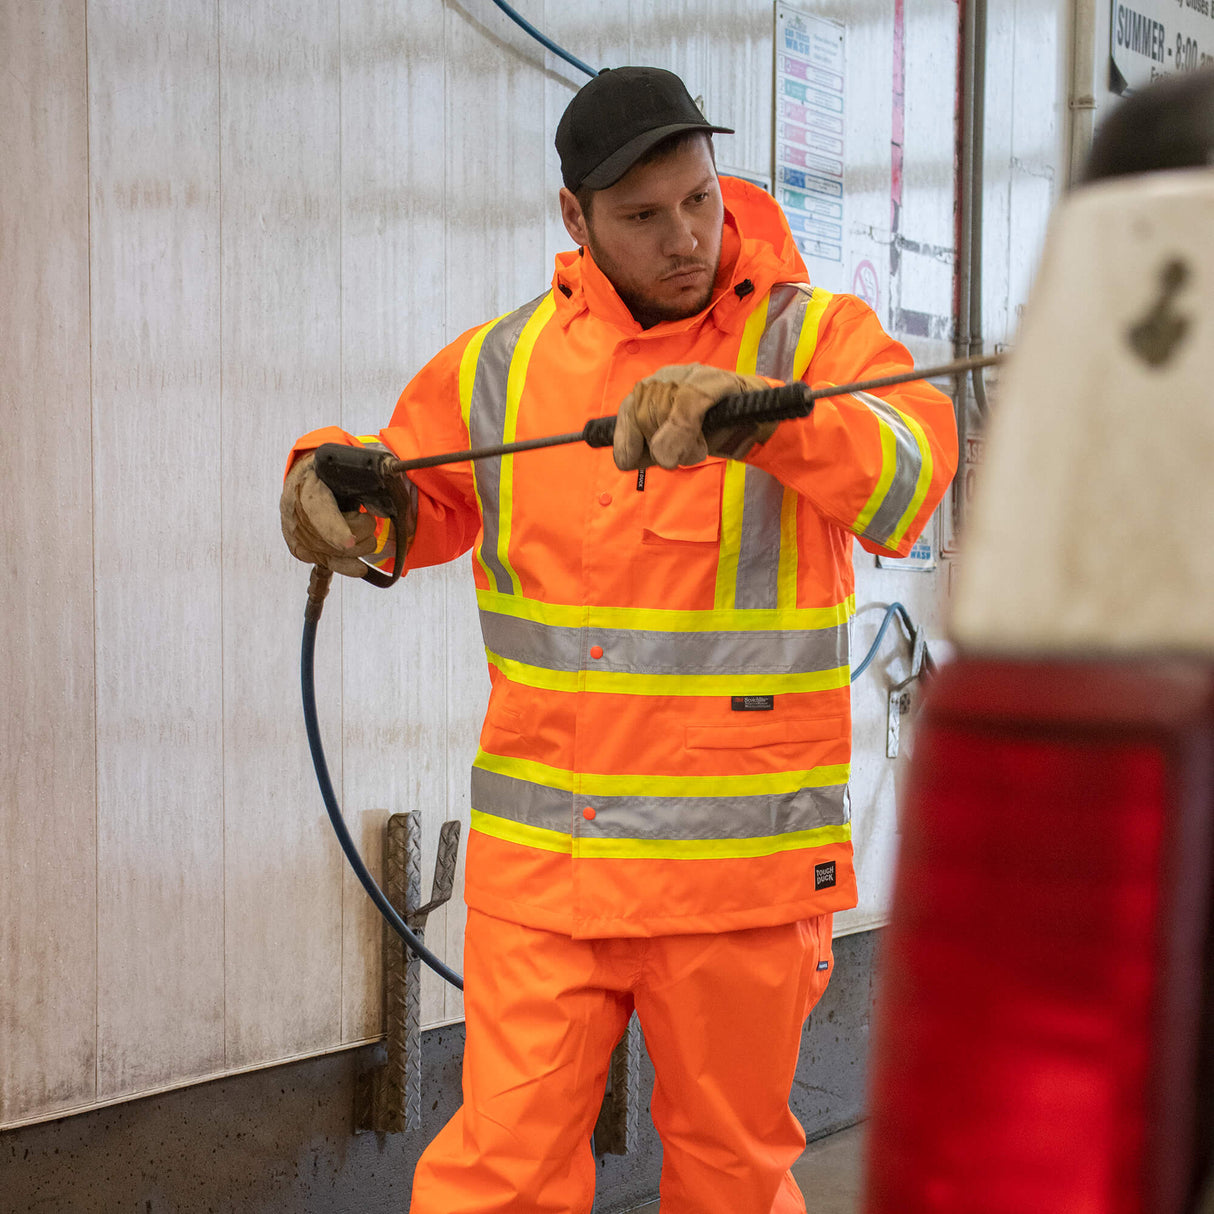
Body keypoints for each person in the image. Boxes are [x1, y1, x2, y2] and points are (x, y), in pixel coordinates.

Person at [280, 66, 957, 1214]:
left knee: (729, 1182)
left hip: (735, 877)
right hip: (551, 872)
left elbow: (907, 473)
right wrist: (326, 485)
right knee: (494, 1180)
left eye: (696, 198)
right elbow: (414, 495)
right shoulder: (501, 367)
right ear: (574, 219)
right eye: (642, 216)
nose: (685, 235)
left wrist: (757, 415)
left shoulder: (812, 339)